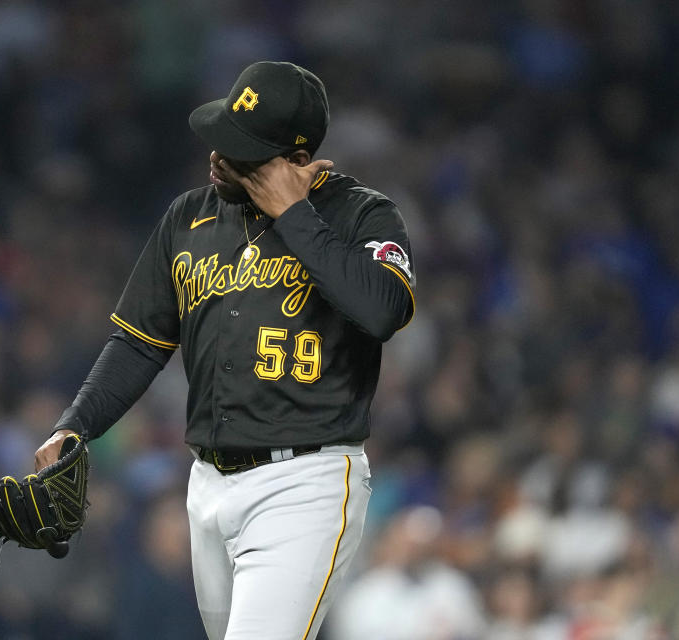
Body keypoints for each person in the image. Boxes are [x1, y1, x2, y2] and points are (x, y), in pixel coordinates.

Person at [34, 60, 416, 640]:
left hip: (305, 481)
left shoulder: (360, 213)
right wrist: (75, 425)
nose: (217, 153)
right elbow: (137, 343)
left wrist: (295, 214)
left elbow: (383, 310)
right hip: (207, 483)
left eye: (242, 148)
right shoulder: (188, 217)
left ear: (293, 159)